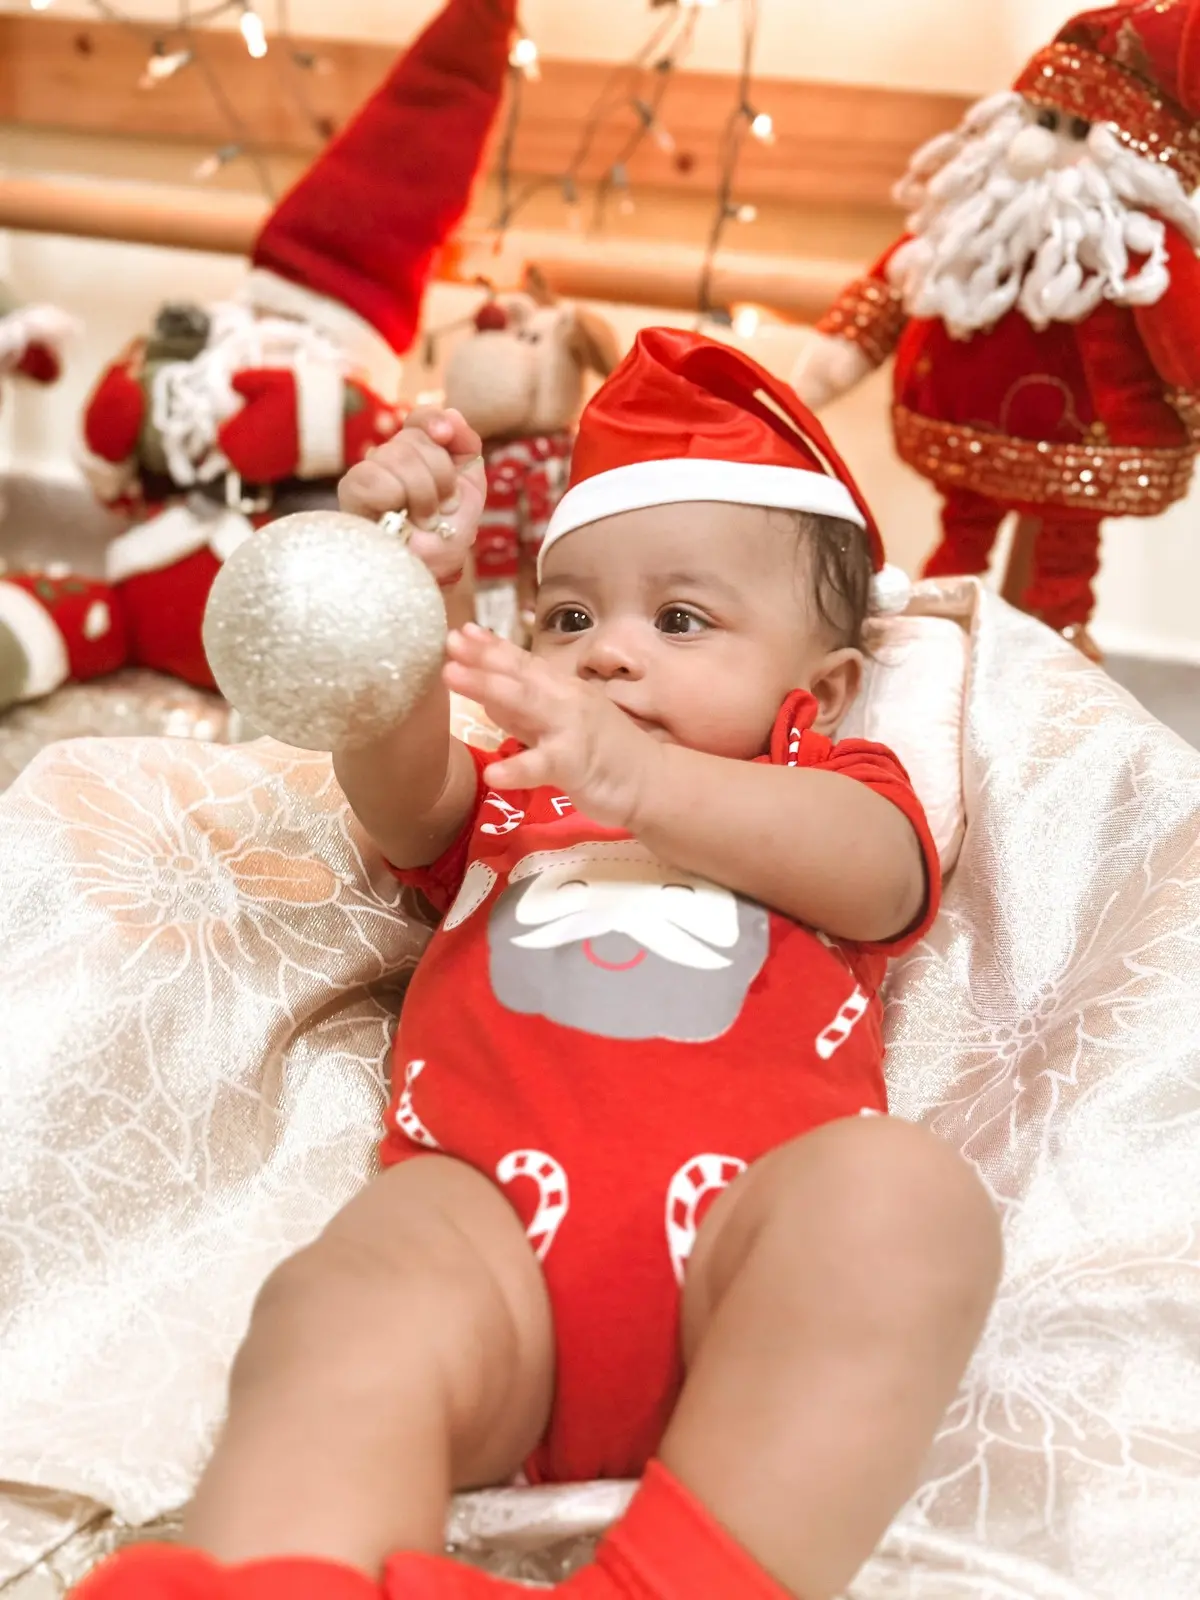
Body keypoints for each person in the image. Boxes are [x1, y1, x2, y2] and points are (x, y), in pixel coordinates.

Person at [79, 329, 1001, 1600]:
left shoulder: (820, 784)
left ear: (825, 686)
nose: (608, 653)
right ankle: (281, 1571)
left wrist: (649, 780)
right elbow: (403, 797)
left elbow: (884, 872)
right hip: (489, 1235)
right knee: (345, 1298)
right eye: (569, 616)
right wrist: (402, 604)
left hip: (742, 1255)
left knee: (906, 1202)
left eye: (681, 618)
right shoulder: (518, 794)